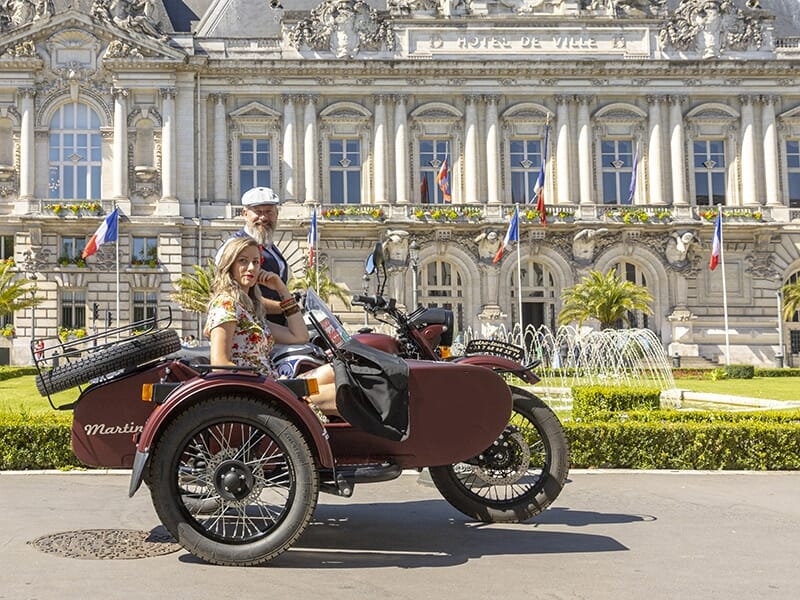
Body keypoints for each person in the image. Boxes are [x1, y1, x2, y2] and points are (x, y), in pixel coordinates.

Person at [205, 236, 338, 421]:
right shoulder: (226, 304)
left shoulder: (248, 309)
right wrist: (267, 383)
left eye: (256, 262)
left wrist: (282, 289)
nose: (251, 268)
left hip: (271, 382)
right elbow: (220, 365)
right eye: (243, 261)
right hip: (260, 391)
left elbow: (299, 336)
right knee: (342, 394)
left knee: (337, 372)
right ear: (230, 266)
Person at [216, 186, 289, 326]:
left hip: (275, 326)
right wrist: (285, 307)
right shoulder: (234, 246)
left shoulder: (270, 246)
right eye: (258, 212)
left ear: (277, 214)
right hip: (252, 327)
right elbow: (234, 293)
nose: (264, 217)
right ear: (245, 213)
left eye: (269, 212)